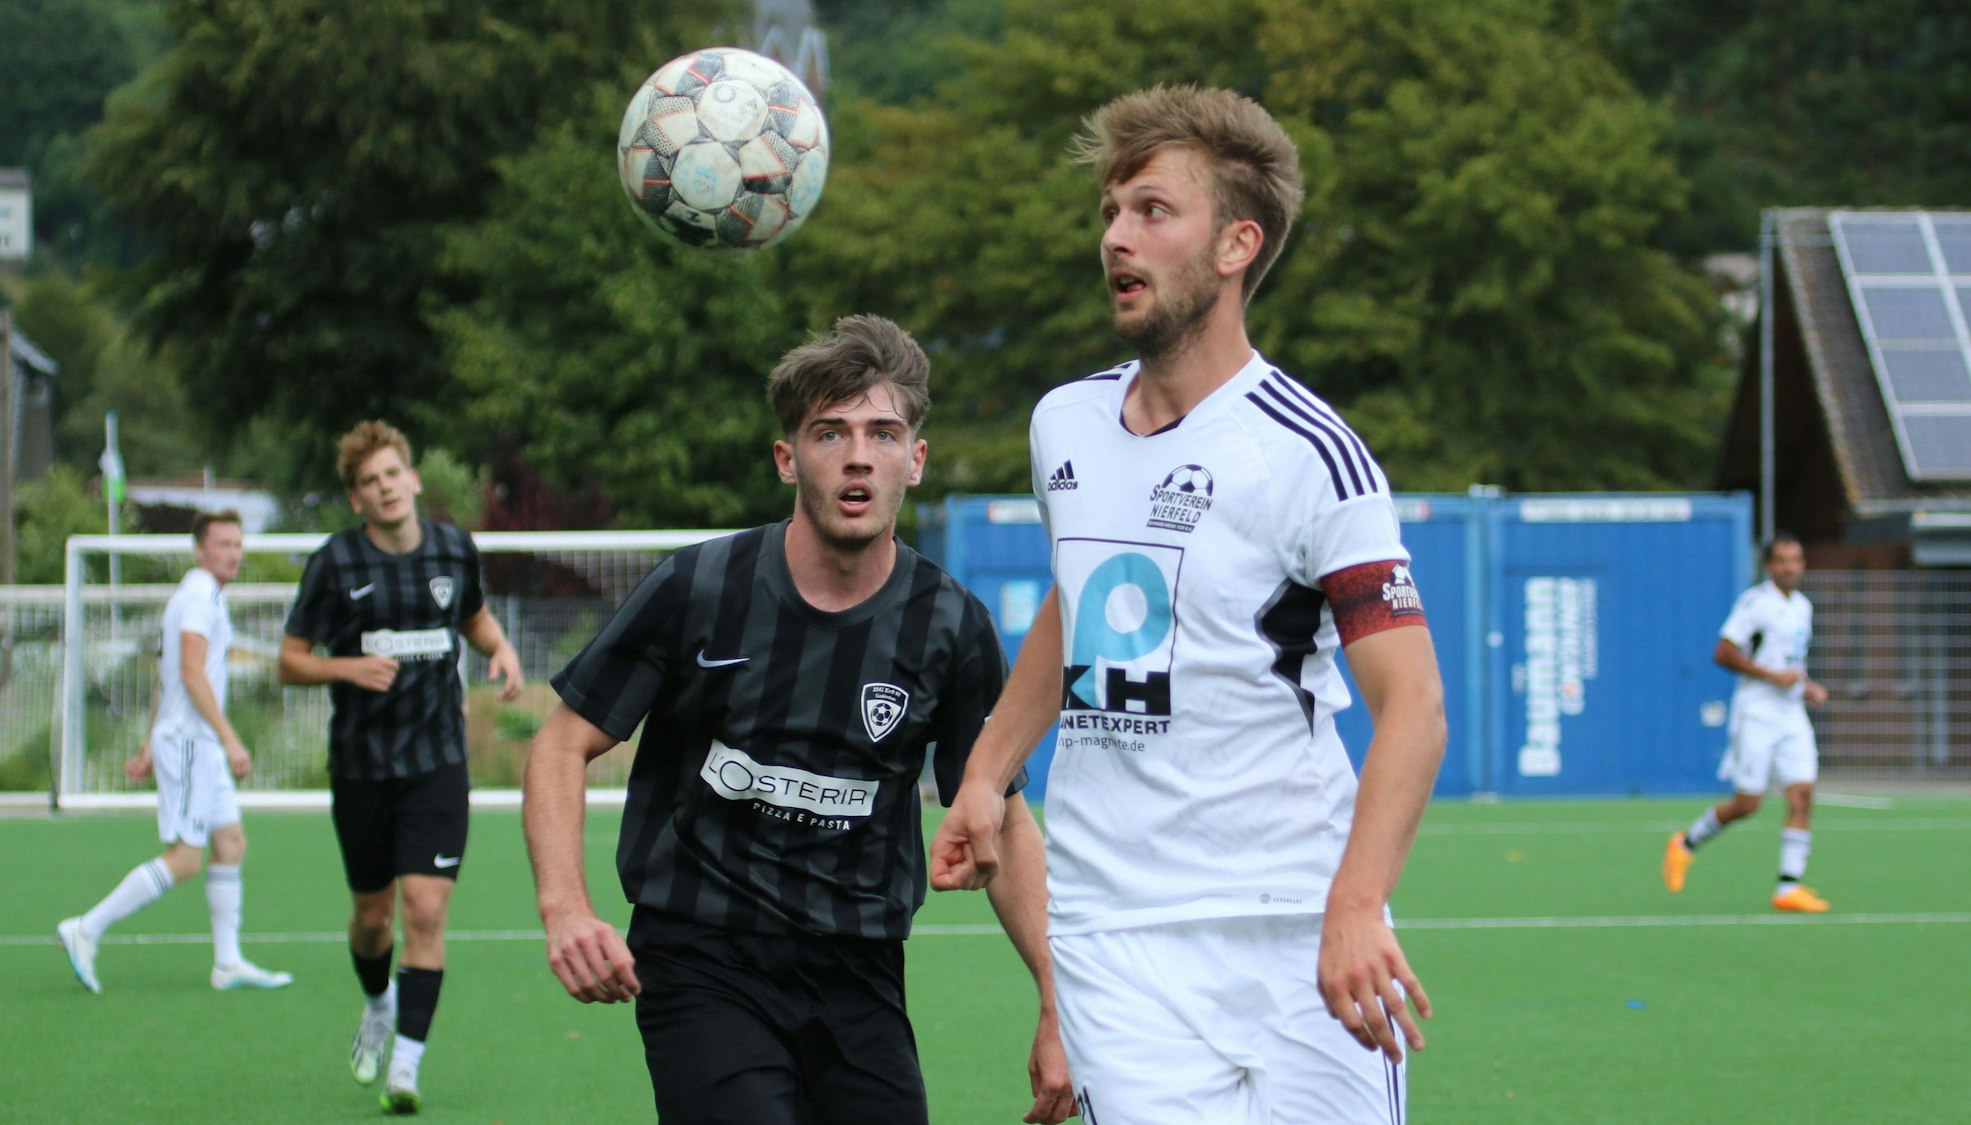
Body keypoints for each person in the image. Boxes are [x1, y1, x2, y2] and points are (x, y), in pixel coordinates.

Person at [928, 86, 1448, 1124]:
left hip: (1293, 919)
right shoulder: (1062, 423)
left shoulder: (1310, 455)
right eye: (1110, 212)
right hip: (1111, 931)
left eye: (1152, 211)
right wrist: (985, 775)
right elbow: (1084, 603)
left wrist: (1352, 906)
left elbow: (1414, 709)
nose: (1116, 237)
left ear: (1233, 246)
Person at [522, 314, 1074, 1125]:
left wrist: (1058, 1003)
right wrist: (565, 907)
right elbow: (562, 740)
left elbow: (1005, 812)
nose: (859, 454)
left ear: (914, 461)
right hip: (702, 955)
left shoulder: (950, 625)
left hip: (860, 972)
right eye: (830, 432)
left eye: (884, 433)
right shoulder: (699, 587)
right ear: (788, 457)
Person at [278, 420, 523, 1115]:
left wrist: (500, 650)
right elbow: (289, 659)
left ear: (412, 480)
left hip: (437, 764)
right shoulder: (334, 563)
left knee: (425, 909)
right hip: (360, 768)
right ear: (357, 499)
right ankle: (377, 1002)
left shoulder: (452, 548)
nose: (384, 488)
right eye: (369, 482)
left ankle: (406, 1068)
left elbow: (473, 617)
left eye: (392, 474)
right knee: (371, 916)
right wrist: (345, 665)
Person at [57, 510, 294, 995]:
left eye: (237, 543)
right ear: (199, 550)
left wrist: (147, 743)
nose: (234, 553)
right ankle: (86, 928)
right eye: (223, 544)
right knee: (185, 859)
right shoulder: (197, 598)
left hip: (194, 742)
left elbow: (168, 680)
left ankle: (227, 963)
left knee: (230, 844)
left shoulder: (203, 597)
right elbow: (189, 673)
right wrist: (229, 738)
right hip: (193, 745)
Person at [1663, 532, 1831, 912]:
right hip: (1756, 712)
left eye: (1797, 560)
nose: (1791, 567)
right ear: (1769, 566)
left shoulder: (1803, 606)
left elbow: (1789, 660)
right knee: (1747, 803)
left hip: (1791, 714)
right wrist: (1773, 677)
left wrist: (1806, 686)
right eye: (1783, 561)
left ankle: (1788, 887)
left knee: (1802, 795)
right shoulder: (1755, 603)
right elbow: (1723, 652)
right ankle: (1685, 844)